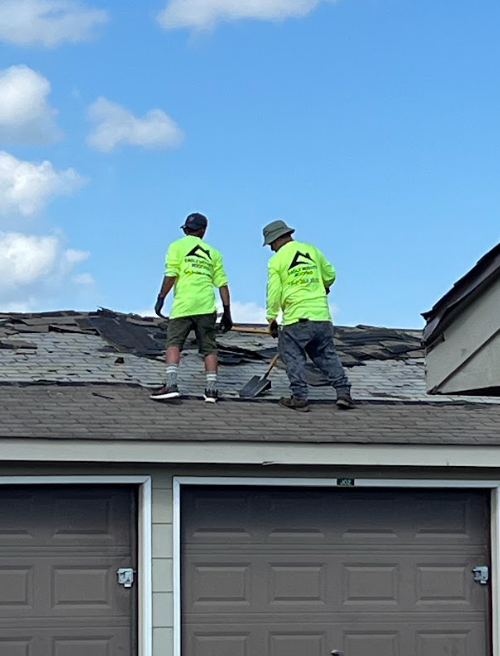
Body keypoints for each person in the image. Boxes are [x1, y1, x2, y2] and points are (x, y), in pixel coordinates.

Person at [263, 219, 354, 412]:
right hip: (322, 318)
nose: (271, 248)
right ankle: (343, 392)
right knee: (326, 355)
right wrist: (324, 286)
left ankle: (299, 397)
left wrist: (271, 318)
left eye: (271, 243)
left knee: (292, 355)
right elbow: (330, 274)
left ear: (278, 239)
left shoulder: (277, 260)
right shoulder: (312, 251)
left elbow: (274, 291)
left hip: (297, 319)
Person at [151, 213, 233, 403]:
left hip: (183, 306)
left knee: (174, 343)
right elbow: (222, 285)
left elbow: (171, 274)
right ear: (203, 230)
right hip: (206, 306)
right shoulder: (213, 253)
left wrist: (161, 297)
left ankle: (171, 385)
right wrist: (227, 312)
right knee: (209, 348)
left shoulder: (176, 246)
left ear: (186, 229)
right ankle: (211, 390)